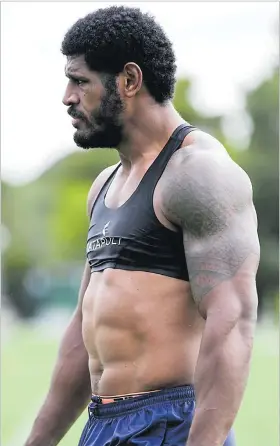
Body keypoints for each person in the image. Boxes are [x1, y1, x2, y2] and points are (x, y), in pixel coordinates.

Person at [25, 6, 260, 446]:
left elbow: (232, 324)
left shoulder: (197, 174)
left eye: (80, 80)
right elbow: (83, 334)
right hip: (105, 423)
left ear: (129, 81)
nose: (67, 97)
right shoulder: (105, 186)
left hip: (168, 425)